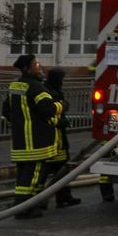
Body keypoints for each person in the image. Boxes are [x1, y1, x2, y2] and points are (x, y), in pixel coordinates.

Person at [2, 54, 62, 218]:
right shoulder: (36, 87)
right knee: (33, 175)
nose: (39, 66)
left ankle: (31, 205)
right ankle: (21, 209)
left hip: (21, 141)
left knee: (24, 175)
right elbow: (48, 109)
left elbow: (6, 110)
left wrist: (18, 125)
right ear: (27, 68)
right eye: (36, 64)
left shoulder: (15, 86)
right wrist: (62, 105)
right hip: (36, 141)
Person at [43, 68, 81, 208]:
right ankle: (42, 200)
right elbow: (47, 115)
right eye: (61, 79)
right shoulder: (48, 93)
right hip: (51, 139)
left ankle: (64, 198)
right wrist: (62, 121)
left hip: (59, 139)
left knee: (62, 170)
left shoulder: (53, 90)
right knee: (48, 172)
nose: (62, 82)